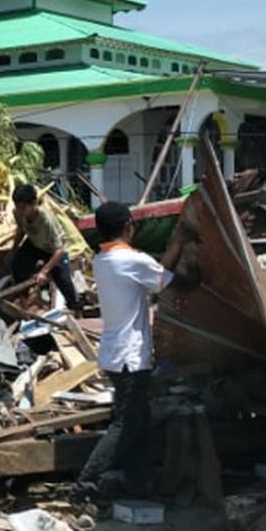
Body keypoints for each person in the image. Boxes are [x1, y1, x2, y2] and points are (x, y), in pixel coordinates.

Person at [76, 201, 184, 498]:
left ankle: (138, 483)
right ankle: (86, 483)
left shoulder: (103, 260)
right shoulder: (132, 260)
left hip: (115, 354)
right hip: (130, 358)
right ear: (128, 227)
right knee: (125, 424)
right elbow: (166, 279)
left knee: (139, 422)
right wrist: (180, 240)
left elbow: (153, 271)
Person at [10, 183, 80, 311]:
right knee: (17, 265)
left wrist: (44, 271)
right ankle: (23, 303)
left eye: (23, 207)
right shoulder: (18, 213)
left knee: (63, 280)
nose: (20, 210)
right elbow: (20, 229)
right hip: (34, 243)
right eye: (18, 207)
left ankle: (76, 309)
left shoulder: (46, 220)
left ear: (34, 203)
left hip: (52, 248)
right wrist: (14, 248)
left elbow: (59, 249)